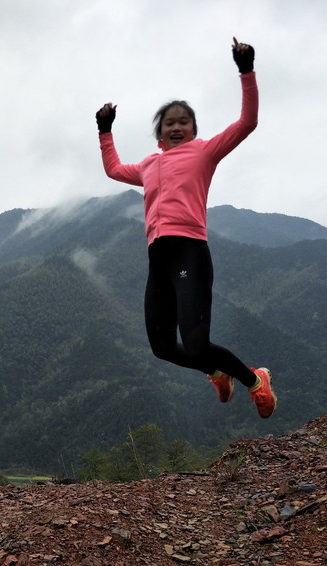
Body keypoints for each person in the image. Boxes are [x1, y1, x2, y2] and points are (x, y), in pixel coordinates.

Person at [95, 37, 276, 418]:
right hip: (158, 258)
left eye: (183, 121)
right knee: (161, 346)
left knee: (195, 344)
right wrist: (105, 131)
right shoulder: (147, 166)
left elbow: (248, 122)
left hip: (189, 251)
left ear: (193, 129)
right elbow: (113, 169)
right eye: (169, 123)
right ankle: (216, 373)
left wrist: (246, 71)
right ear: (159, 132)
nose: (176, 127)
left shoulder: (205, 152)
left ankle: (255, 380)